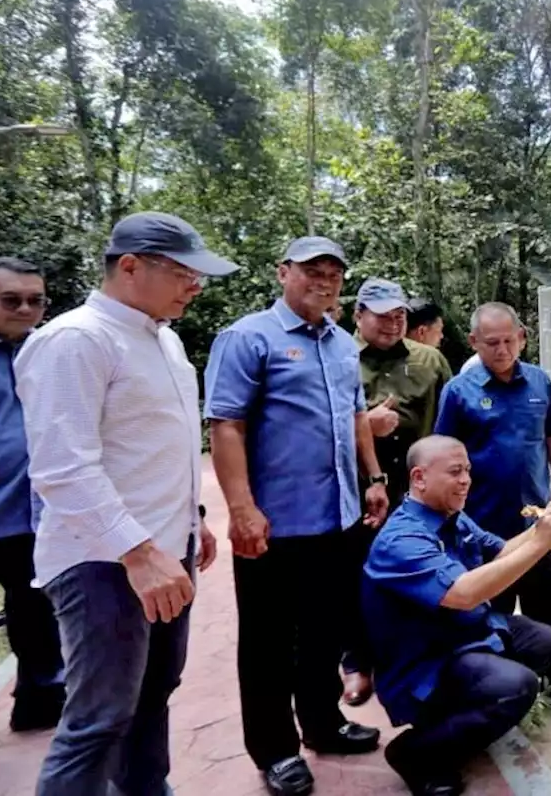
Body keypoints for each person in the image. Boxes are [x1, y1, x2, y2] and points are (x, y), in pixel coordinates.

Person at [16, 212, 236, 795]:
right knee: (98, 722)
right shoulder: (75, 340)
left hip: (167, 552)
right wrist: (139, 553)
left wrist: (194, 522)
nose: (196, 286)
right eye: (185, 273)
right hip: (105, 563)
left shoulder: (161, 338)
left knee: (152, 698)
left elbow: (151, 448)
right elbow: (62, 469)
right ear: (131, 267)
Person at [204, 236, 389, 796]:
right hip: (273, 527)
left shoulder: (339, 344)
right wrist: (241, 509)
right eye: (312, 269)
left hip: (336, 521)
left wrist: (374, 477)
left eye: (334, 272)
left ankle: (323, 724)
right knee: (267, 643)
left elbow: (357, 414)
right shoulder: (247, 337)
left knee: (324, 634)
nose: (325, 280)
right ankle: (275, 749)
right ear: (283, 271)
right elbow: (226, 426)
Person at [363, 435, 551, 796]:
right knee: (516, 687)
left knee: (544, 641)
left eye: (468, 471)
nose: (466, 480)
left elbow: (503, 550)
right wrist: (541, 543)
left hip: (463, 638)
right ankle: (415, 753)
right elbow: (463, 594)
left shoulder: (453, 516)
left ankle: (462, 720)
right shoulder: (402, 540)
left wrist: (542, 527)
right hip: (423, 664)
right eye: (455, 472)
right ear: (419, 477)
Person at [433, 302, 551, 724]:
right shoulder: (459, 391)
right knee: (486, 618)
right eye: (492, 343)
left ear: (522, 336)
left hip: (539, 524)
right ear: (473, 342)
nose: (502, 350)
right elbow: (443, 453)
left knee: (549, 611)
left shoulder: (538, 381)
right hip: (482, 531)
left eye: (508, 341)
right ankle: (498, 697)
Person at [340, 278, 453, 706]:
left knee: (419, 574)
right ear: (358, 316)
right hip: (353, 491)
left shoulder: (429, 359)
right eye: (382, 315)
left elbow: (450, 419)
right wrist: (364, 425)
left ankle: (413, 659)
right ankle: (356, 661)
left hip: (416, 493)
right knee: (355, 576)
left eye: (399, 315)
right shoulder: (338, 357)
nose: (392, 323)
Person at [0, 257, 64, 733]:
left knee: (34, 607)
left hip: (31, 514)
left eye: (35, 300)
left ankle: (39, 701)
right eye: (11, 300)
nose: (25, 309)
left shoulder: (49, 350)